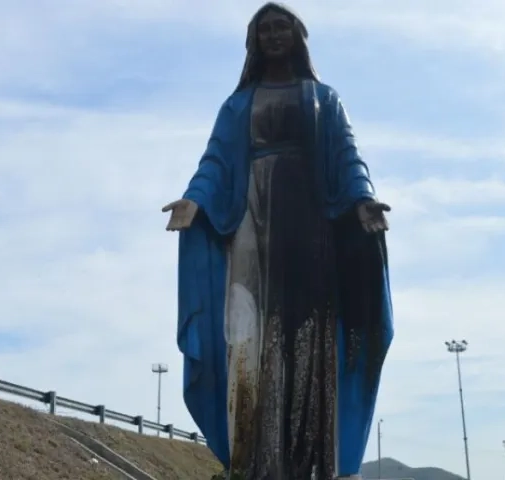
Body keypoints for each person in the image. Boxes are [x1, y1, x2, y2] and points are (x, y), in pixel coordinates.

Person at [163, 3, 394, 479]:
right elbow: (216, 161)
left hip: (309, 222)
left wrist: (363, 200)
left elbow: (349, 156)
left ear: (297, 35)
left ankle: (309, 456)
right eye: (263, 29)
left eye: (280, 27)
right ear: (253, 40)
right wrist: (195, 201)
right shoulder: (237, 105)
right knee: (248, 331)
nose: (272, 36)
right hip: (251, 218)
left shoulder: (324, 99)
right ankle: (253, 456)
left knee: (309, 333)